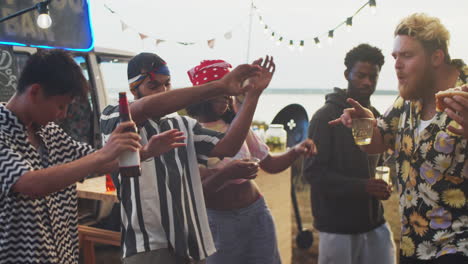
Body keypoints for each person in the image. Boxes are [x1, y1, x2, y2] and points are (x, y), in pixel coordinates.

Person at [0, 49, 180, 264]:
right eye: (60, 106)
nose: (63, 115)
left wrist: (146, 151)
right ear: (35, 92)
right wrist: (104, 153)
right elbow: (29, 184)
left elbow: (100, 162)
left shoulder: (49, 133)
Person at [100, 53, 274, 264]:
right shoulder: (116, 115)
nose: (163, 91)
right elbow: (144, 107)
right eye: (154, 86)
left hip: (190, 243)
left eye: (167, 84)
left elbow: (229, 146)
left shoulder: (182, 124)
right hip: (149, 245)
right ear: (133, 89)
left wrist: (252, 97)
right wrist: (220, 86)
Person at [330, 13, 468, 264]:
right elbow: (376, 143)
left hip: (457, 248)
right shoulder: (409, 96)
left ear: (436, 57)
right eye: (395, 56)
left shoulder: (465, 94)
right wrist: (361, 124)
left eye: (407, 55)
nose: (396, 64)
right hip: (412, 246)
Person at [185, 59, 316, 264]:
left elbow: (271, 165)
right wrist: (228, 174)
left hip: (257, 213)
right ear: (204, 95)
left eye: (229, 95)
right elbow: (198, 194)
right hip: (219, 222)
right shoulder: (190, 134)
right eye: (222, 94)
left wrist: (295, 151)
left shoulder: (236, 125)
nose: (228, 100)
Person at [303, 44, 395, 264]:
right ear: (347, 74)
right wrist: (363, 186)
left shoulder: (376, 116)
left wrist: (383, 186)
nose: (367, 82)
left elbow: (378, 163)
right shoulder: (325, 116)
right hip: (337, 228)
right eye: (361, 75)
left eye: (373, 77)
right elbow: (313, 173)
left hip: (375, 222)